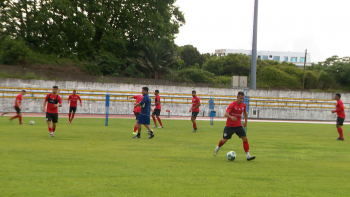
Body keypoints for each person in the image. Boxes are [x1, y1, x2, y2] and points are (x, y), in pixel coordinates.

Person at [213, 91, 256, 161]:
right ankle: (217, 148)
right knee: (224, 140)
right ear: (237, 97)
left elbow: (245, 112)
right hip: (229, 126)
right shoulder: (232, 105)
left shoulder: (243, 105)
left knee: (245, 139)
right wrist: (231, 117)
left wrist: (246, 121)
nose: (241, 100)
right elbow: (225, 114)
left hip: (238, 126)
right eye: (240, 98)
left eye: (242, 98)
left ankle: (248, 155)